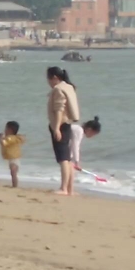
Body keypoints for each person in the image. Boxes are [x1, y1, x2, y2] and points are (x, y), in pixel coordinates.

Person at [46, 66, 82, 196]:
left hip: (60, 124)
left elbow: (59, 109)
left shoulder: (58, 89)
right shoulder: (69, 87)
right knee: (67, 158)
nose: (48, 82)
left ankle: (64, 188)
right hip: (68, 124)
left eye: (48, 79)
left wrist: (56, 128)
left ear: (54, 78)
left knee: (63, 159)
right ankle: (70, 189)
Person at [0, 120, 25, 189]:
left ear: (10, 130)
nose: (5, 130)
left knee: (13, 172)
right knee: (13, 173)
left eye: (6, 129)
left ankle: (15, 186)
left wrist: (0, 138)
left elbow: (3, 143)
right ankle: (14, 185)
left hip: (14, 158)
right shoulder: (13, 138)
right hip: (13, 158)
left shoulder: (10, 138)